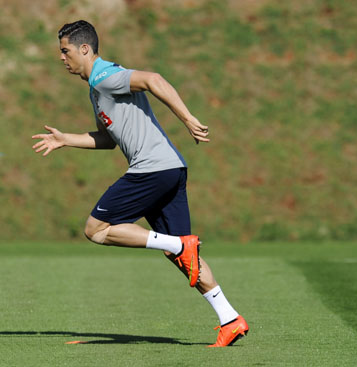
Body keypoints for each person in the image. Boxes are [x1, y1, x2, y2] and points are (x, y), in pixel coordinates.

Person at [31, 20, 248, 347]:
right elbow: (108, 140)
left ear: (85, 49)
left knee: (96, 229)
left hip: (152, 170)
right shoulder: (96, 88)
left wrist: (187, 119)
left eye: (65, 51)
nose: (62, 58)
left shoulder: (105, 77)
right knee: (183, 257)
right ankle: (230, 318)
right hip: (171, 169)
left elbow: (152, 79)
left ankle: (178, 245)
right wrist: (66, 139)